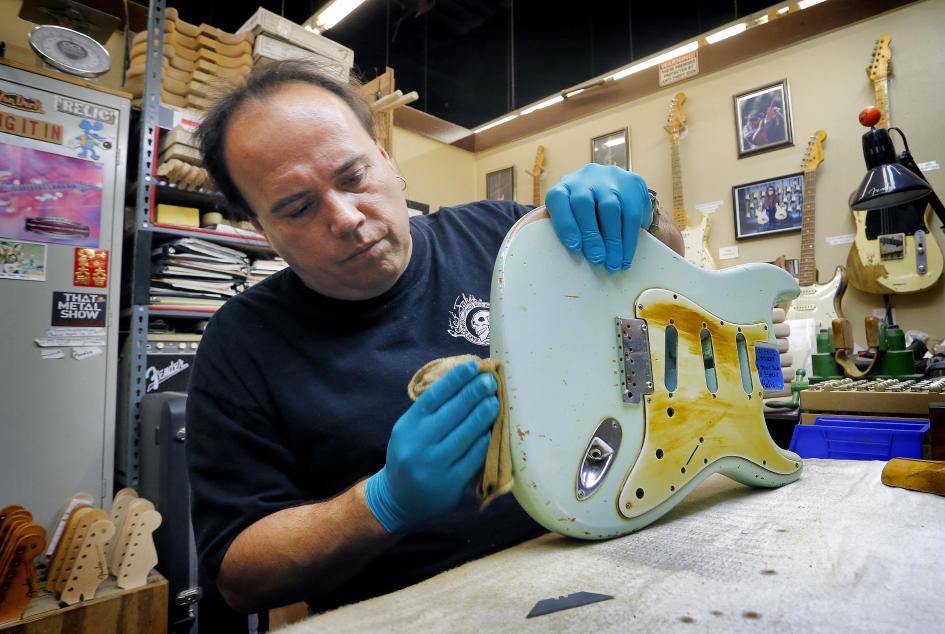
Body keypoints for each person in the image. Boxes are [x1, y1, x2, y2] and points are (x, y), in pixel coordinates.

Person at [187, 59, 684, 617]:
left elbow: (667, 280)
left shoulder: (504, 237)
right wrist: (383, 503)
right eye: (298, 207)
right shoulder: (242, 344)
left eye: (353, 177)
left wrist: (642, 216)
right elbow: (239, 575)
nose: (346, 217)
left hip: (610, 558)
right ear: (261, 229)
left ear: (384, 157)